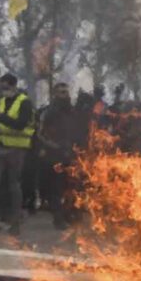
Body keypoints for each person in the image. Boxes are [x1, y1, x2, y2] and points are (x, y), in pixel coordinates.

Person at [0, 73, 33, 237]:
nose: (3, 91)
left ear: (13, 86)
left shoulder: (24, 102)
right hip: (0, 146)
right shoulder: (0, 101)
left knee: (14, 186)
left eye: (6, 87)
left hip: (17, 149)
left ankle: (15, 222)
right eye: (1, 87)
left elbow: (20, 124)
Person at [37, 82, 87, 229]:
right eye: (61, 92)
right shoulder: (48, 112)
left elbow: (80, 131)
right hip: (55, 155)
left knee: (72, 186)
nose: (64, 95)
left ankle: (70, 213)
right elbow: (40, 134)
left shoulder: (73, 112)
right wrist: (55, 146)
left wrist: (78, 148)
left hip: (71, 154)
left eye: (66, 92)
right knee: (56, 188)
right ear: (55, 94)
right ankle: (58, 218)